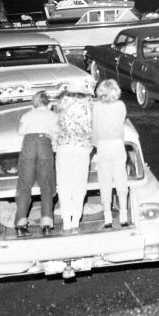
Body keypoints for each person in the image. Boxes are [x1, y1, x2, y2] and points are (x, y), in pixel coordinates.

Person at [15, 91, 58, 237]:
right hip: (45, 144)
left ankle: (20, 225)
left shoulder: (27, 115)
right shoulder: (53, 115)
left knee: (24, 186)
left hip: (28, 145)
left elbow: (20, 131)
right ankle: (46, 224)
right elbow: (57, 134)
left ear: (34, 104)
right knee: (46, 186)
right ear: (49, 104)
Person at [54, 90, 94, 232]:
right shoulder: (87, 105)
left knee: (64, 185)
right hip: (82, 149)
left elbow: (56, 128)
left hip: (64, 148)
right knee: (79, 185)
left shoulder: (63, 104)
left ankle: (66, 221)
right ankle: (76, 220)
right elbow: (91, 129)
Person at [92, 79, 129, 228]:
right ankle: (124, 216)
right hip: (117, 144)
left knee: (105, 181)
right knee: (121, 179)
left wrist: (96, 146)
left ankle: (107, 217)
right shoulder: (121, 106)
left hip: (102, 145)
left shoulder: (96, 107)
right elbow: (121, 122)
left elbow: (94, 128)